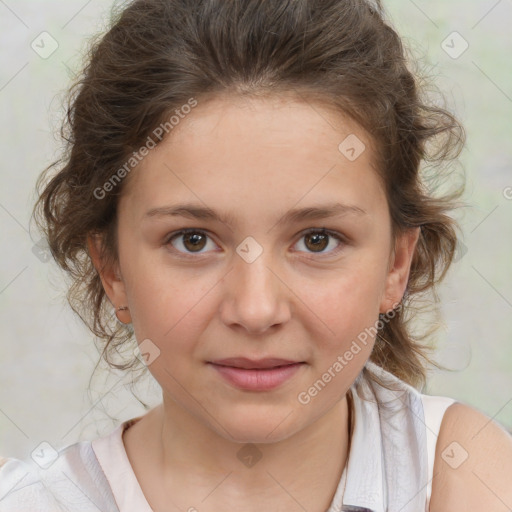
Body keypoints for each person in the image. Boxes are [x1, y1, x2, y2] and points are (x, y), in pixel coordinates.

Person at [1, 0, 511, 510]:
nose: (255, 310)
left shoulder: (463, 473)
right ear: (111, 268)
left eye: (317, 240)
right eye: (193, 240)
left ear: (395, 264)